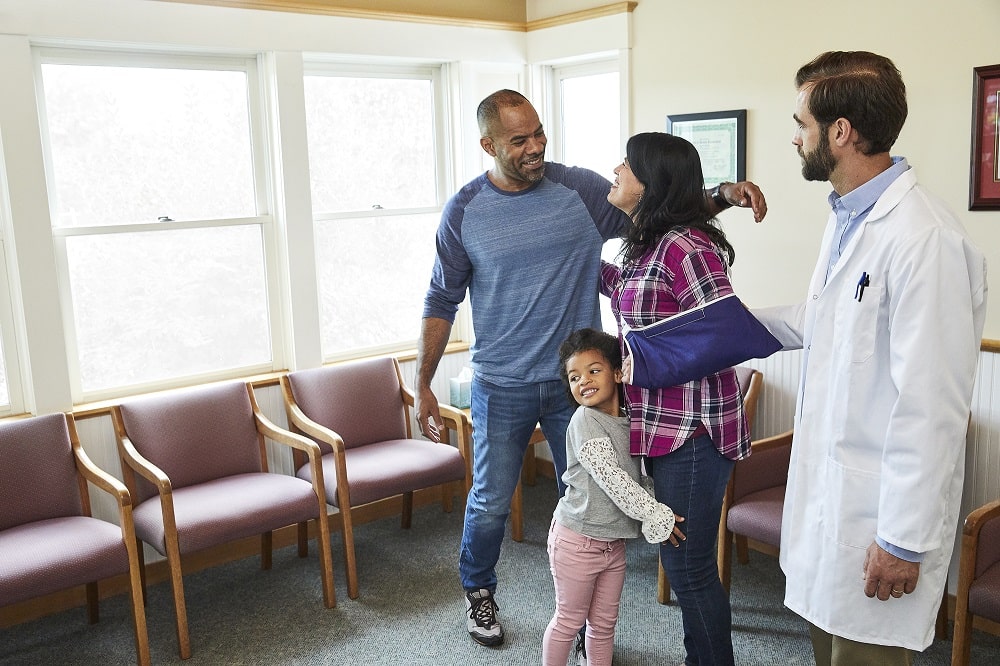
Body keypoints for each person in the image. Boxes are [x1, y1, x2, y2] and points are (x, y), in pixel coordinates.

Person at [415, 88, 767, 649]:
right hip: (500, 382)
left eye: (539, 134)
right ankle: (478, 591)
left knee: (587, 499)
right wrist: (422, 383)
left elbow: (668, 204)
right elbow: (440, 299)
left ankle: (575, 614)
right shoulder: (465, 211)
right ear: (488, 145)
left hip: (578, 386)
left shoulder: (576, 189)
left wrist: (723, 194)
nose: (535, 147)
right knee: (488, 498)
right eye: (519, 140)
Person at [752, 50, 988, 665]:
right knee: (826, 646)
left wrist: (902, 540)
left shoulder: (924, 238)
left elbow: (931, 404)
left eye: (801, 123)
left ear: (840, 132)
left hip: (878, 521)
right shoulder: (848, 217)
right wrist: (729, 323)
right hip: (829, 503)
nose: (795, 137)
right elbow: (828, 321)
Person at [599, 131, 753, 666]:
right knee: (680, 561)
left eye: (627, 162)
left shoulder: (689, 246)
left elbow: (721, 335)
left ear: (653, 180)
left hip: (693, 430)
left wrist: (640, 361)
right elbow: (641, 295)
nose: (615, 169)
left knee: (688, 568)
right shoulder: (649, 243)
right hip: (662, 428)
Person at [543, 327, 685, 666]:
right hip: (577, 541)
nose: (584, 381)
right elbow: (613, 479)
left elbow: (639, 475)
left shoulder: (630, 420)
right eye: (574, 377)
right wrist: (653, 514)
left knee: (604, 626)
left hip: (613, 545)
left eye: (594, 370)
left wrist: (656, 504)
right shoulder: (585, 421)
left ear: (618, 373)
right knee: (569, 621)